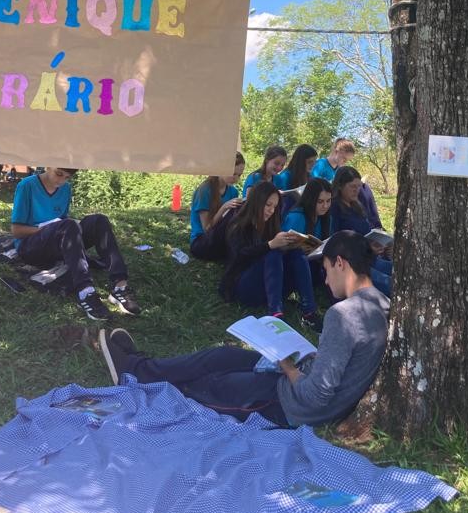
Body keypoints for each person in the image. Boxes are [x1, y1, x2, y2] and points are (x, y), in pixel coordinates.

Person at [99, 230, 390, 428]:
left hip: (289, 404)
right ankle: (138, 366)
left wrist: (289, 368)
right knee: (219, 357)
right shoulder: (382, 304)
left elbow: (315, 396)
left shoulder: (344, 315)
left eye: (326, 270)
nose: (325, 281)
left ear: (340, 263)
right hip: (300, 375)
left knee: (210, 386)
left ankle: (133, 373)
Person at [11, 167, 140, 321]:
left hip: (57, 241)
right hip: (31, 247)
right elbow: (17, 231)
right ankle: (85, 291)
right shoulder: (27, 185)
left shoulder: (65, 188)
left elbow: (62, 219)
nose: (61, 181)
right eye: (58, 174)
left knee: (99, 220)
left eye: (67, 177)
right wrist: (50, 227)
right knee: (69, 225)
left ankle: (120, 285)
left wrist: (68, 226)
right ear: (48, 166)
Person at [218, 181, 319, 326]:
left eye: (275, 206)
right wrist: (270, 245)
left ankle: (309, 311)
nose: (271, 210)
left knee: (296, 253)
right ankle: (276, 315)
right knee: (273, 254)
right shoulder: (238, 225)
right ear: (257, 202)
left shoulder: (270, 224)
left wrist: (291, 246)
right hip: (244, 286)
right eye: (268, 205)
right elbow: (239, 255)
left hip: (271, 286)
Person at [330, 166, 392, 297]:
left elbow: (367, 231)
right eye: (353, 186)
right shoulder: (334, 208)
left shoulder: (356, 205)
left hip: (369, 257)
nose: (357, 190)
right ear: (340, 186)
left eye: (359, 186)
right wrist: (366, 248)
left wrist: (379, 243)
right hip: (353, 264)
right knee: (390, 284)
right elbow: (335, 241)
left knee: (399, 270)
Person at [282, 178, 333, 316]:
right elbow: (281, 249)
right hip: (292, 268)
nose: (325, 206)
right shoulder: (297, 217)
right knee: (298, 255)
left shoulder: (325, 218)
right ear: (311, 200)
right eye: (320, 201)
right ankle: (309, 310)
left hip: (314, 265)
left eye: (328, 201)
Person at [188, 152, 246, 260]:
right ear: (222, 169)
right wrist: (224, 207)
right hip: (201, 241)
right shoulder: (204, 190)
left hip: (222, 236)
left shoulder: (233, 191)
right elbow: (207, 228)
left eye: (239, 175)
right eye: (233, 173)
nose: (236, 178)